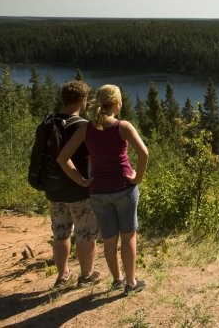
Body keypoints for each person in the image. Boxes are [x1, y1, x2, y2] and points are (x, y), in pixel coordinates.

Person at [58, 84, 149, 294]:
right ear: (116, 104)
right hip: (124, 189)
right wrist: (137, 178)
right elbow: (144, 154)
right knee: (128, 237)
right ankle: (131, 283)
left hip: (98, 191)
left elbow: (62, 158)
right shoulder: (122, 126)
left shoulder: (86, 128)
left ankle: (117, 280)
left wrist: (82, 180)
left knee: (109, 240)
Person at [48, 80, 100, 288]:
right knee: (85, 233)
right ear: (82, 100)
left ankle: (62, 276)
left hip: (54, 189)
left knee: (60, 233)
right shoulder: (82, 126)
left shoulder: (48, 122)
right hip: (78, 190)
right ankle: (86, 275)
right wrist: (83, 180)